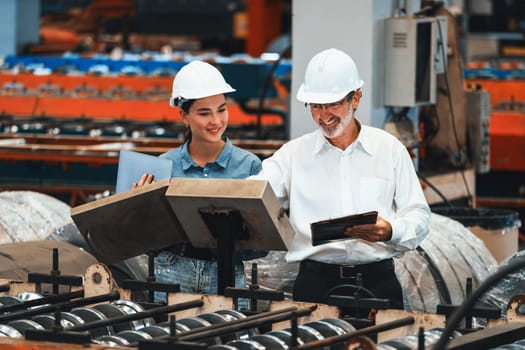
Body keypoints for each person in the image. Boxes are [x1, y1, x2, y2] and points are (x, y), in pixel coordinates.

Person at [252, 48, 431, 314]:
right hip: (315, 284)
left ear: (355, 98)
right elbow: (254, 194)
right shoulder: (293, 155)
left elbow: (419, 215)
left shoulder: (389, 149)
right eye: (315, 106)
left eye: (332, 104)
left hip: (377, 282)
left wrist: (390, 230)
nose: (323, 116)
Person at [133, 60, 263, 302]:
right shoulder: (164, 167)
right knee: (168, 337)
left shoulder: (249, 166)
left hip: (228, 273)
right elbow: (146, 243)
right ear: (184, 116)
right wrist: (141, 209)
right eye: (204, 113)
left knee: (230, 339)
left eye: (222, 109)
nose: (216, 121)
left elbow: (262, 244)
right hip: (172, 270)